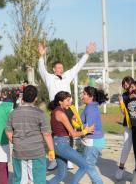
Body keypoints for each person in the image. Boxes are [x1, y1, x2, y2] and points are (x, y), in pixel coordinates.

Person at [38, 41, 96, 170]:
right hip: (55, 109)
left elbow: (78, 67)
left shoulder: (67, 76)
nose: (60, 69)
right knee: (55, 133)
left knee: (70, 132)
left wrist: (86, 54)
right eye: (58, 67)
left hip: (68, 108)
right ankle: (54, 160)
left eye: (61, 67)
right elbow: (41, 69)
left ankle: (69, 159)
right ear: (53, 69)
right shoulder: (48, 78)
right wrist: (41, 56)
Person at [5, 85, 55, 184]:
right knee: (37, 180)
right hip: (36, 152)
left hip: (19, 151)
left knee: (20, 181)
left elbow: (8, 131)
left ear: (23, 97)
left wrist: (15, 141)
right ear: (36, 98)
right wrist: (51, 150)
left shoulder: (13, 113)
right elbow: (47, 134)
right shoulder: (40, 113)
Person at [48, 91, 95, 184]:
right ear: (60, 102)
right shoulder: (61, 114)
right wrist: (86, 131)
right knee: (85, 165)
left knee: (62, 174)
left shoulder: (56, 111)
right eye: (68, 100)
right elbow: (73, 133)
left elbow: (65, 131)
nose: (70, 103)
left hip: (57, 143)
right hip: (61, 144)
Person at [80, 86, 108, 184]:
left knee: (88, 166)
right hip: (93, 141)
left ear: (91, 96)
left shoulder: (91, 109)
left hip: (93, 141)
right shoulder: (90, 106)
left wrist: (77, 124)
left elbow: (89, 128)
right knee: (88, 165)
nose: (82, 96)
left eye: (84, 94)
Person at [114, 76, 135, 180]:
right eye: (124, 83)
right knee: (126, 146)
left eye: (127, 83)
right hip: (128, 124)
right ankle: (121, 169)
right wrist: (121, 102)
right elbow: (123, 112)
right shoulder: (125, 95)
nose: (126, 85)